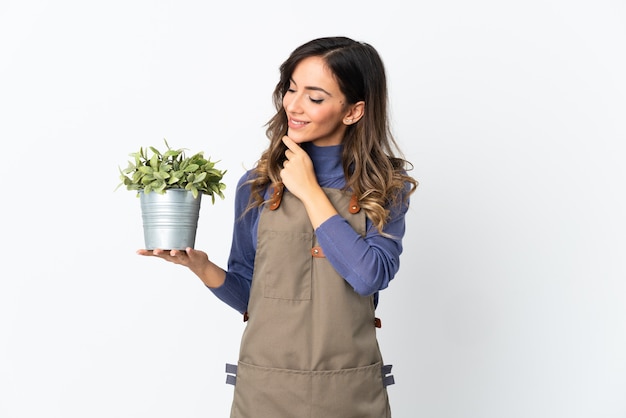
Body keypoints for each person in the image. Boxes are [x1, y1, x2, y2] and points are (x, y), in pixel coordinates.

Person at [138, 36, 418, 418]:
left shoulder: (384, 188)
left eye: (315, 97)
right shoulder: (258, 185)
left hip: (349, 395)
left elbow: (369, 276)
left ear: (353, 111)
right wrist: (201, 267)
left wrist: (308, 191)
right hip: (265, 393)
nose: (294, 105)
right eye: (291, 89)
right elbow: (254, 299)